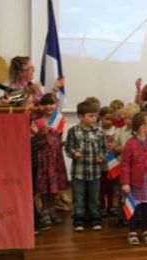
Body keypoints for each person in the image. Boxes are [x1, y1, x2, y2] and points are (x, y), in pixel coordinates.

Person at [120, 112, 147, 245]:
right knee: (133, 207)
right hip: (134, 183)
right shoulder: (130, 144)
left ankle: (146, 230)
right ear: (142, 127)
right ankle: (132, 231)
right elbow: (125, 165)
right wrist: (125, 182)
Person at [65, 101, 107, 232]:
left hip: (95, 171)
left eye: (95, 116)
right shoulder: (73, 131)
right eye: (90, 115)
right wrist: (73, 153)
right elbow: (68, 148)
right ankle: (78, 218)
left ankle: (95, 218)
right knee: (79, 197)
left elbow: (104, 149)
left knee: (94, 197)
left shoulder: (100, 131)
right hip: (79, 172)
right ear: (80, 116)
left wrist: (102, 156)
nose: (94, 118)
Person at [35, 93, 70, 226]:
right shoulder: (37, 122)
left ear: (56, 105)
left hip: (55, 159)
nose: (49, 106)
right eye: (45, 104)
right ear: (41, 106)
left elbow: (58, 141)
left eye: (51, 103)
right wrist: (43, 140)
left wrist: (64, 143)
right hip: (43, 159)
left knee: (54, 187)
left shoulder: (60, 119)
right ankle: (44, 211)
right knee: (45, 187)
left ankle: (52, 210)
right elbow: (35, 143)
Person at [112, 103, 141, 227]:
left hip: (137, 169)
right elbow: (114, 148)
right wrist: (123, 149)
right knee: (122, 194)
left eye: (131, 118)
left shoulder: (141, 132)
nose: (127, 120)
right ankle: (122, 217)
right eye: (125, 118)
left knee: (137, 194)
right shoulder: (119, 132)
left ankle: (137, 218)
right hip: (123, 168)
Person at [99, 106, 117, 217]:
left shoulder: (116, 130)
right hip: (101, 163)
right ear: (100, 118)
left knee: (111, 186)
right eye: (107, 119)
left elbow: (117, 145)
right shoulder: (97, 130)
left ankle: (111, 206)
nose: (109, 121)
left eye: (111, 119)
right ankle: (102, 207)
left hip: (112, 162)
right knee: (101, 186)